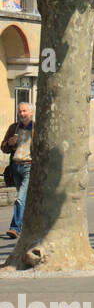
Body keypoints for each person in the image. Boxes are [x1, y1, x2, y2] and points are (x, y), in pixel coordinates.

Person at [3, 102, 35, 239]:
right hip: (15, 166)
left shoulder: (37, 129)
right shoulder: (14, 128)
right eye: (20, 111)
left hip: (29, 166)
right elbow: (3, 147)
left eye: (24, 111)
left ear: (31, 113)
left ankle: (14, 228)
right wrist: (9, 144)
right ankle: (31, 225)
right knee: (25, 199)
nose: (22, 114)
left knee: (20, 199)